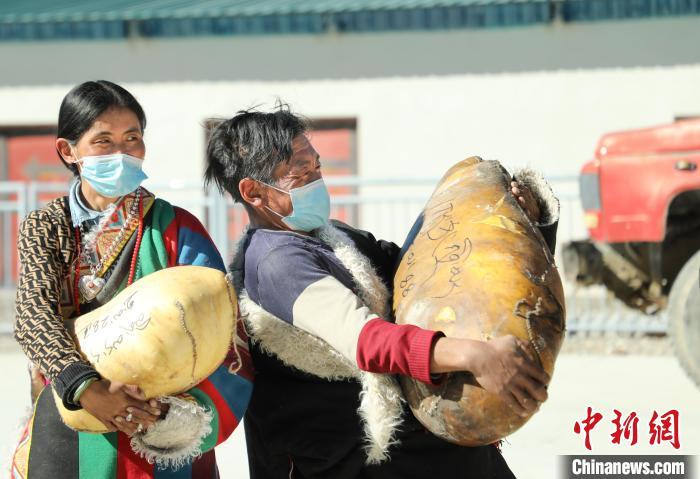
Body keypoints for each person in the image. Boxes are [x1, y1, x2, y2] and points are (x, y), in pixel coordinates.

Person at [204, 105, 559, 478]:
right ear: (254, 192)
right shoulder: (274, 262)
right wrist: (473, 355)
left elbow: (428, 270)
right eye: (300, 172)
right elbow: (366, 340)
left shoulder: (336, 238)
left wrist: (520, 219)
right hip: (349, 460)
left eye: (317, 166)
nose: (316, 180)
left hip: (421, 453)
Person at [11, 80, 253, 479]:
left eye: (132, 138)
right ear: (68, 151)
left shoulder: (176, 227)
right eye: (103, 141)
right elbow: (33, 317)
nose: (122, 153)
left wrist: (170, 419)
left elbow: (224, 334)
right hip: (70, 425)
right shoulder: (45, 226)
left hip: (161, 436)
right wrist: (88, 389)